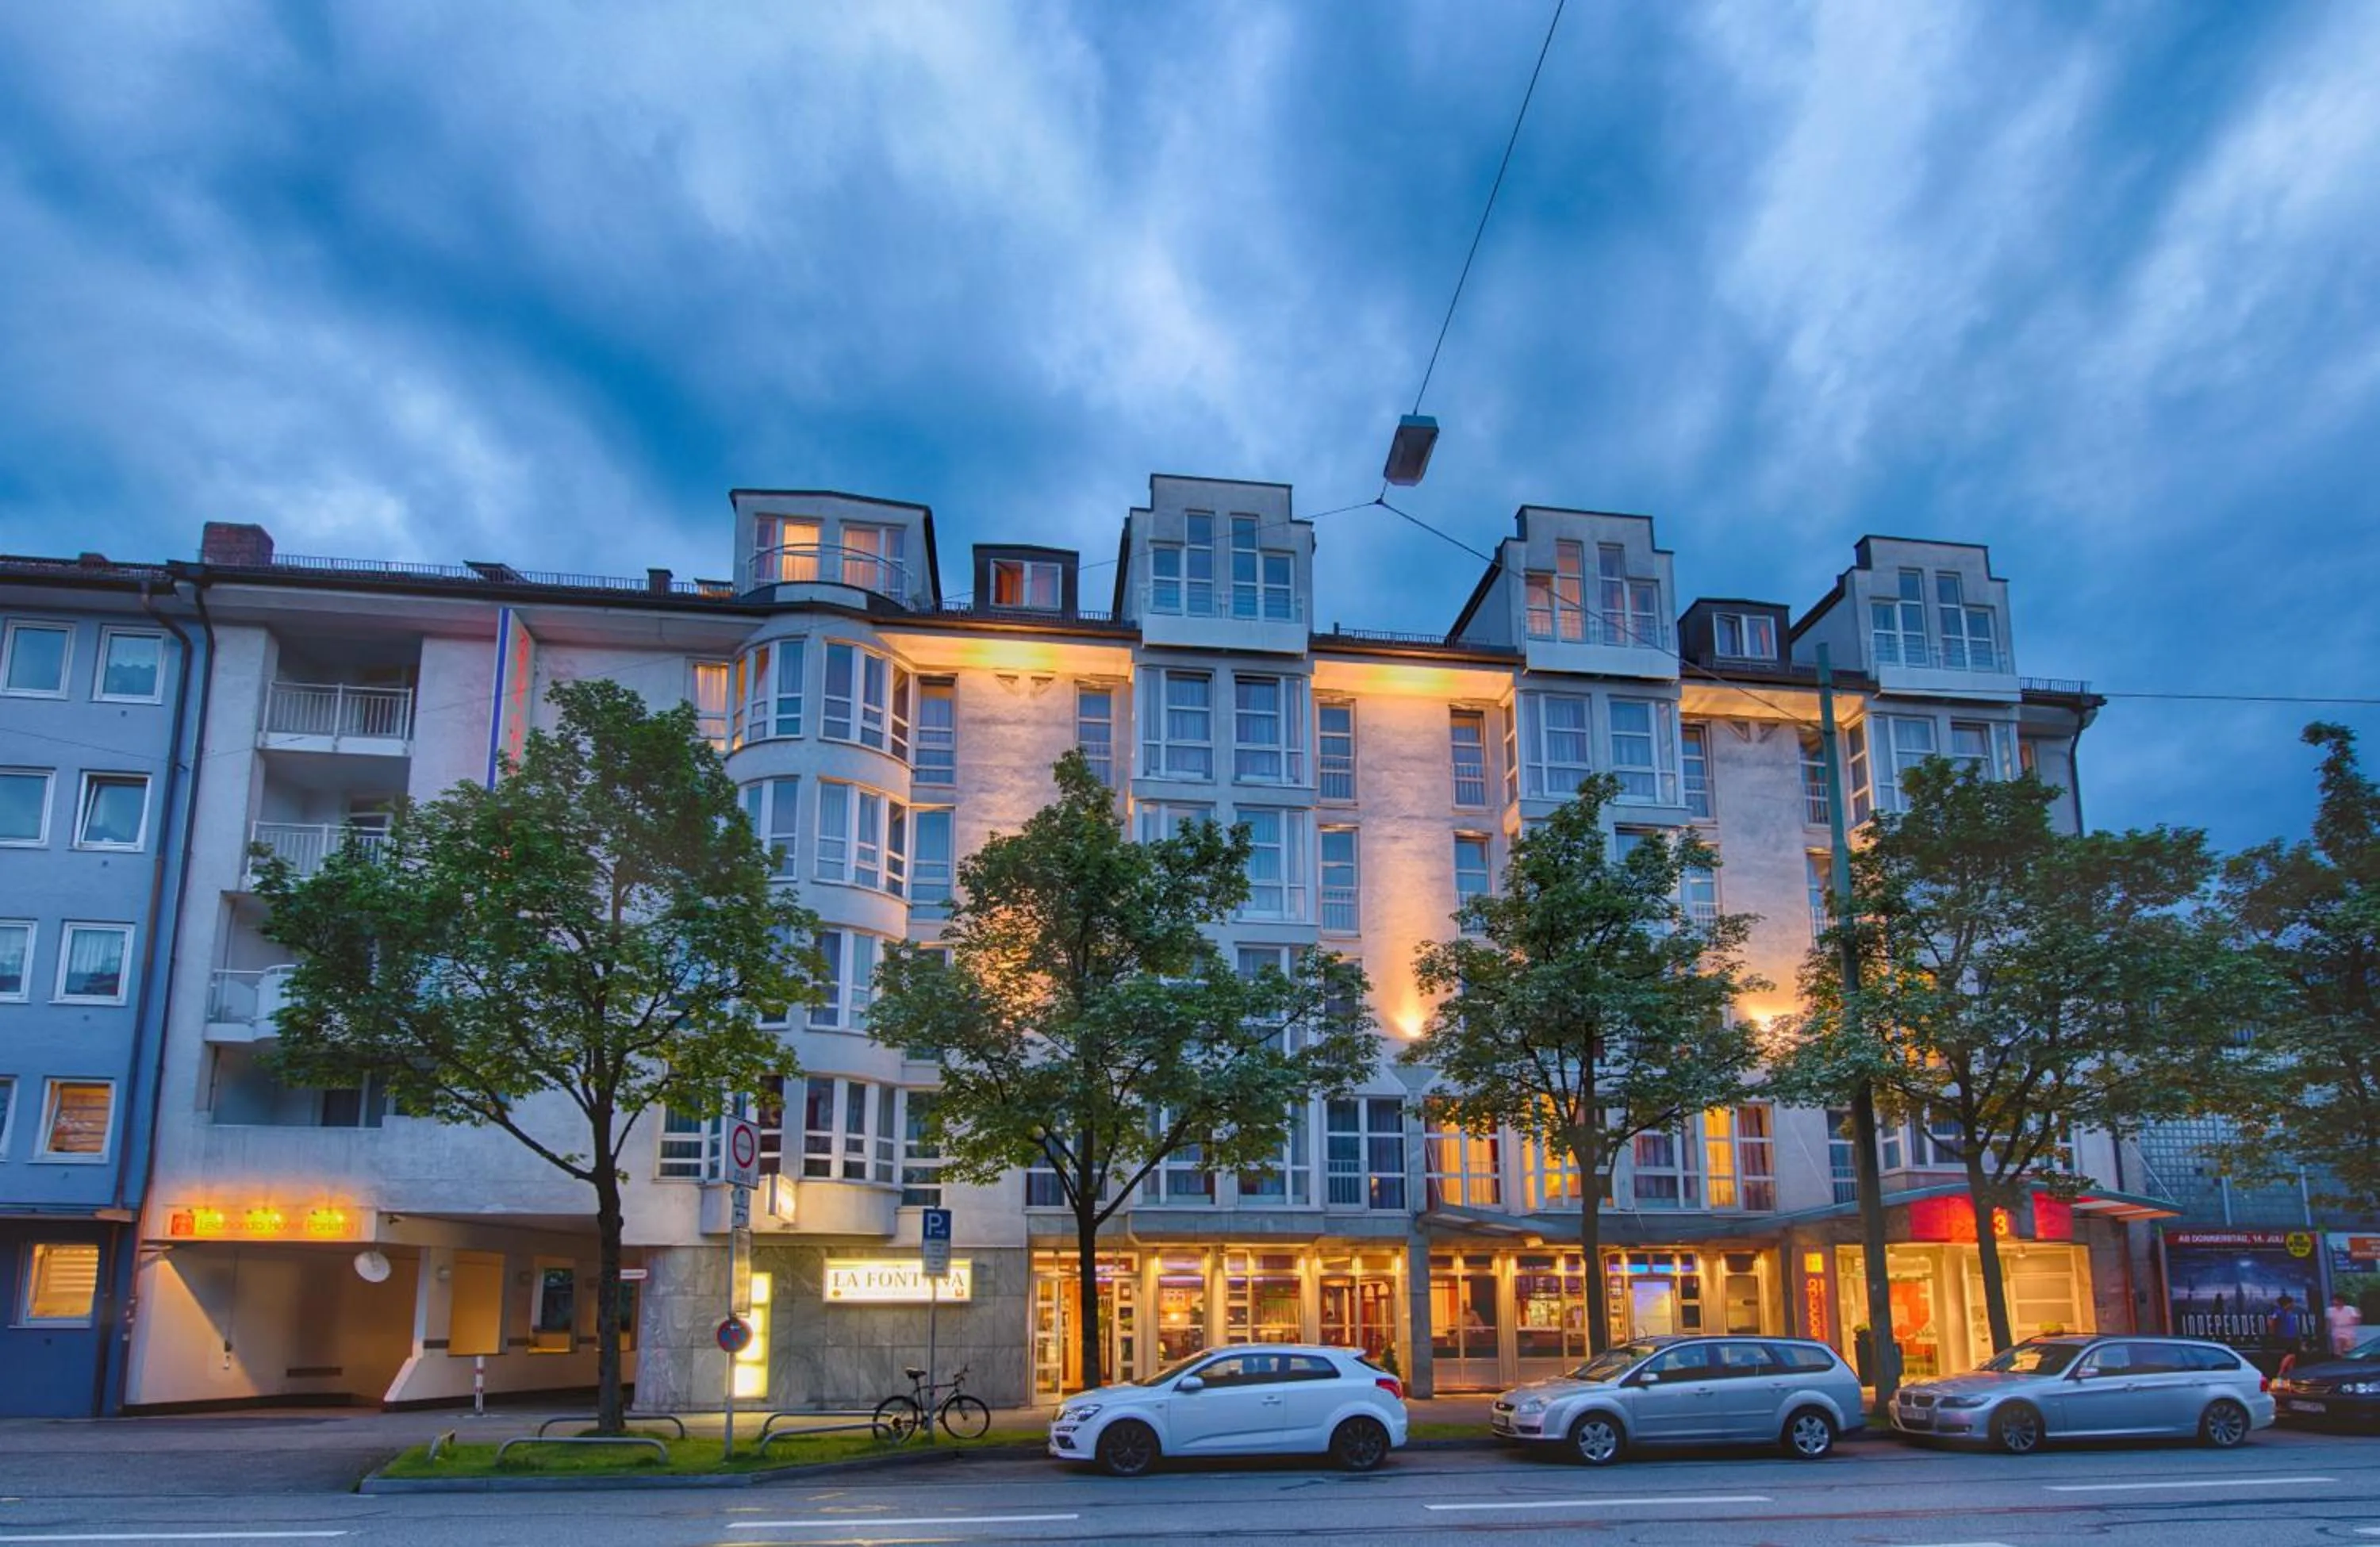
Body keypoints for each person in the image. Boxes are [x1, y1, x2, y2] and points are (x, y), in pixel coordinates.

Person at [2331, 1292, 2364, 1356]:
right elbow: (2330, 1322)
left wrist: (2358, 1318)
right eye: (2334, 1300)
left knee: (2349, 1349)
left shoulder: (2350, 1309)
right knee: (2338, 1349)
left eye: (2337, 1300)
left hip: (2349, 1330)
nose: (2335, 1302)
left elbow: (2357, 1321)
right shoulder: (2330, 1310)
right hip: (2337, 1331)